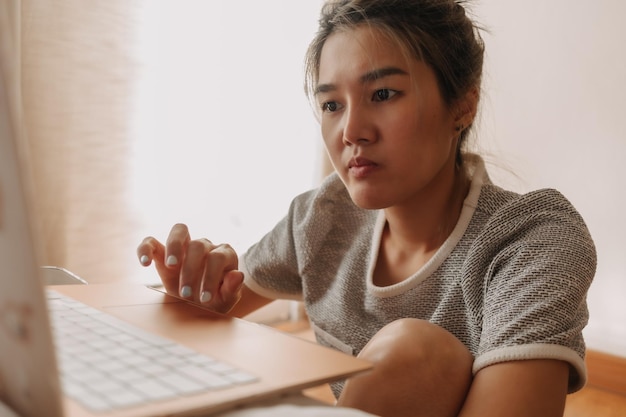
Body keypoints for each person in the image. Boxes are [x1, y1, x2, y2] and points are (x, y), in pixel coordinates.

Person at [137, 0, 596, 416]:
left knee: (414, 349)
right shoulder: (323, 216)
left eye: (382, 94)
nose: (351, 130)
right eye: (332, 104)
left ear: (463, 105)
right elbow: (213, 311)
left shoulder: (532, 239)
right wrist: (193, 301)